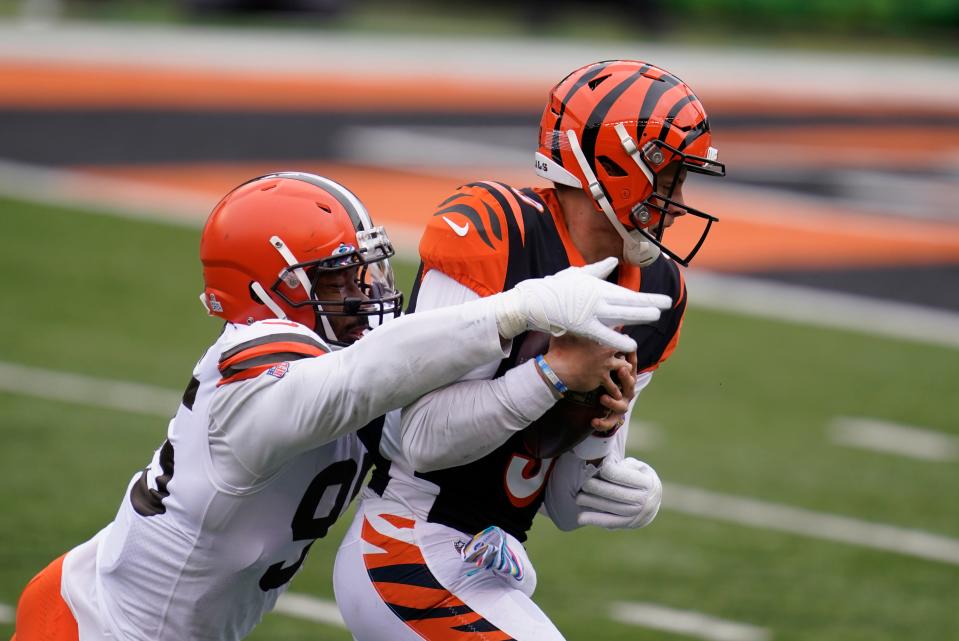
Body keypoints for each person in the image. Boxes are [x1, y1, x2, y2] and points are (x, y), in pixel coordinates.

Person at [9, 171, 673, 641]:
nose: (368, 290)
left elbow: (418, 416)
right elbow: (361, 380)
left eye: (368, 268)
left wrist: (593, 445)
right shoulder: (249, 372)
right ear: (266, 290)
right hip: (99, 624)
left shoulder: (332, 356)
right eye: (336, 277)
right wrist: (516, 309)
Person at [333, 59, 727, 640]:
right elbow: (420, 440)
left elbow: (563, 506)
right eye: (668, 175)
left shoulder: (659, 287)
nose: (677, 198)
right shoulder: (496, 227)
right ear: (615, 165)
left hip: (495, 558)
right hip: (407, 538)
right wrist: (552, 374)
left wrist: (606, 452)